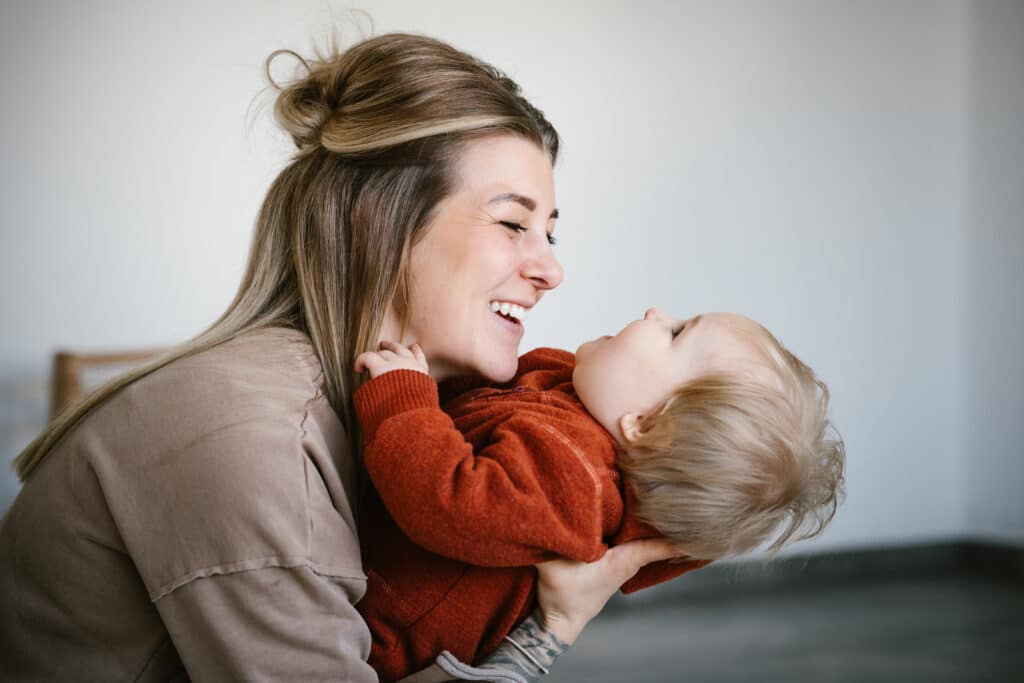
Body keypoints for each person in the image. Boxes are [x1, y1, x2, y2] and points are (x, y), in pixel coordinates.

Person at [0, 33, 678, 682]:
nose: (552, 270)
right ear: (379, 225)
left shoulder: (411, 418)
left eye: (550, 233)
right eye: (512, 223)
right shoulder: (254, 439)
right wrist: (548, 631)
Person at [352, 309, 846, 681]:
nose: (655, 314)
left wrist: (403, 394)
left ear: (645, 426)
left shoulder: (576, 476)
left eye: (676, 333)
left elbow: (449, 503)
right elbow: (483, 400)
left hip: (377, 628)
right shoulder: (574, 395)